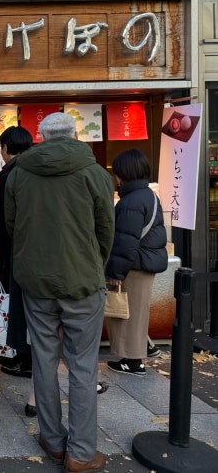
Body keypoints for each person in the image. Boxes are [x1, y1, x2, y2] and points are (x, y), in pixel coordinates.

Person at [5, 112, 115, 473]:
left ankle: (52, 441)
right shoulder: (95, 173)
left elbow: (11, 226)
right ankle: (81, 453)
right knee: (83, 366)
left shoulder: (19, 174)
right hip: (83, 280)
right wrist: (94, 264)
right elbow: (105, 230)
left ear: (41, 136)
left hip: (35, 282)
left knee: (44, 359)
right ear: (73, 133)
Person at [105, 149, 168, 377]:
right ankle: (145, 348)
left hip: (133, 266)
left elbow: (125, 243)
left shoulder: (130, 201)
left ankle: (132, 362)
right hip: (144, 264)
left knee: (125, 314)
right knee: (136, 312)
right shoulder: (149, 195)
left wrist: (116, 272)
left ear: (124, 173)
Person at [0, 127, 36, 414]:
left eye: (0, 147)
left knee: (17, 306)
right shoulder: (37, 170)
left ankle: (23, 357)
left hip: (18, 252)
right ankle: (26, 356)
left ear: (6, 147)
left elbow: (5, 225)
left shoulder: (10, 175)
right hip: (40, 252)